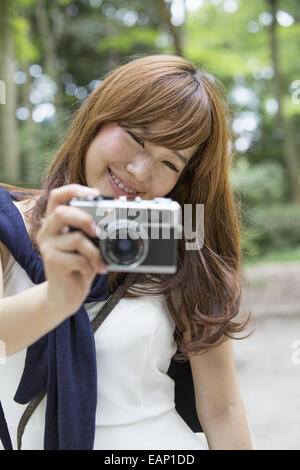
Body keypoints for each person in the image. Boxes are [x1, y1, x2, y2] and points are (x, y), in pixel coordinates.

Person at [0, 54, 252, 450]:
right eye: (137, 136)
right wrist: (55, 298)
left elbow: (223, 408)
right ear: (100, 116)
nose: (139, 170)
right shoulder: (6, 226)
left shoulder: (184, 246)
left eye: (170, 162)